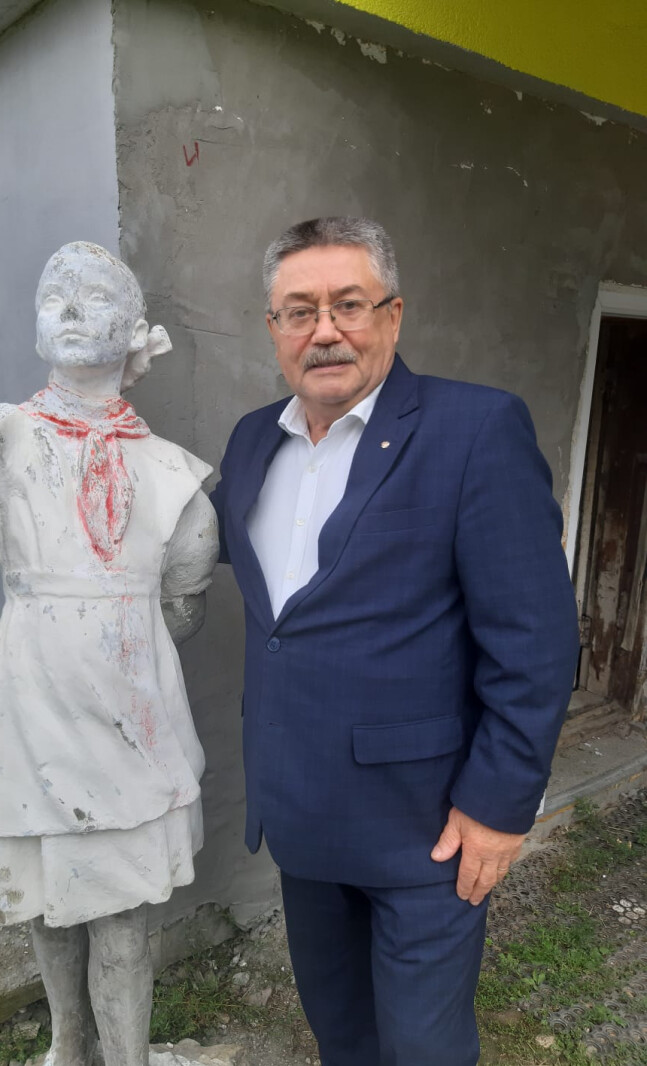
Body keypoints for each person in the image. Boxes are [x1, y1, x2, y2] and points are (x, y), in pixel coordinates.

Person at [210, 217, 579, 1066]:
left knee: (422, 1047)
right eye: (298, 311)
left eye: (348, 304)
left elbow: (533, 641)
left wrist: (497, 807)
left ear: (393, 314)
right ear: (273, 329)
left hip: (426, 827)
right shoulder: (251, 440)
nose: (324, 331)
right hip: (299, 816)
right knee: (340, 1031)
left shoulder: (473, 429)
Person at [0, 243, 219, 1066]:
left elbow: (181, 604)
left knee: (123, 912)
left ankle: (124, 1059)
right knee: (47, 894)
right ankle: (68, 1049)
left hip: (131, 715)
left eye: (94, 295)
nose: (67, 307)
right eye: (52, 294)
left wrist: (120, 652)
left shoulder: (169, 473)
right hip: (32, 700)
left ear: (133, 330)